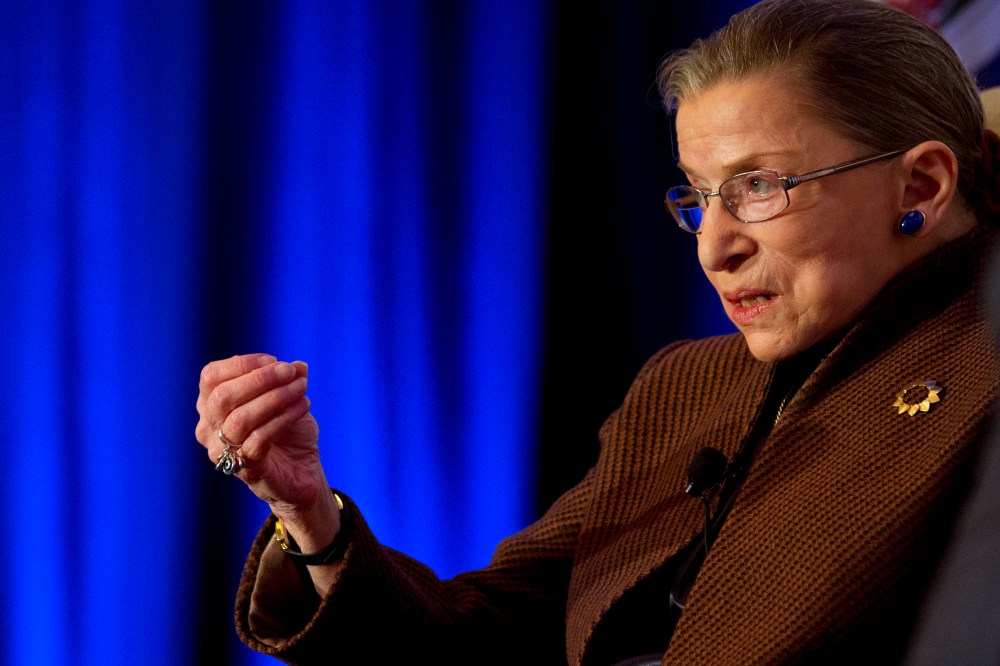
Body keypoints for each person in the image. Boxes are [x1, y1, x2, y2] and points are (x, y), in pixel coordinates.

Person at [194, 0, 1000, 663]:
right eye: (699, 196)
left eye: (758, 186)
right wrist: (311, 519)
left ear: (921, 184)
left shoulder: (982, 383)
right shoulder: (688, 384)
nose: (715, 248)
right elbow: (485, 642)